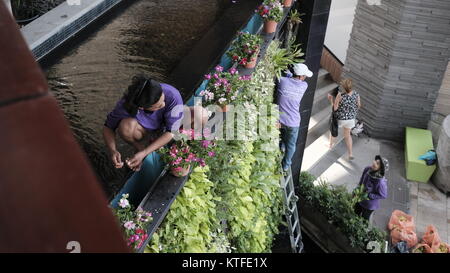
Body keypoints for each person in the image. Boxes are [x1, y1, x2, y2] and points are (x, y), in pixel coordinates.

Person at [103, 75, 207, 172]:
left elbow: (171, 131)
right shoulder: (125, 105)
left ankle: (182, 147)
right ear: (141, 107)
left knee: (201, 114)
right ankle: (140, 149)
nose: (164, 104)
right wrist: (113, 150)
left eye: (163, 99)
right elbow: (108, 127)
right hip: (148, 130)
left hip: (172, 125)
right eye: (158, 106)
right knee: (125, 126)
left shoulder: (171, 93)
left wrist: (145, 153)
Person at [277, 63, 313, 172]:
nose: (305, 78)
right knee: (291, 145)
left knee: (283, 134)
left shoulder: (282, 81)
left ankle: (282, 146)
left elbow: (287, 77)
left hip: (280, 120)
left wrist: (289, 74)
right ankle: (286, 165)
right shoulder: (304, 86)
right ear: (301, 76)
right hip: (293, 122)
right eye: (305, 76)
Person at [331, 78, 361, 160]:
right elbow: (359, 106)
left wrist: (331, 100)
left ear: (344, 87)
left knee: (333, 129)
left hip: (341, 119)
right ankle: (350, 154)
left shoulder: (340, 95)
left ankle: (330, 145)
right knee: (347, 136)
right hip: (351, 119)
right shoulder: (357, 94)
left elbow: (335, 108)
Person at [354, 155, 389, 221]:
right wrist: (358, 188)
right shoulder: (367, 169)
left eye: (377, 163)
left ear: (381, 169)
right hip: (359, 198)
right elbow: (362, 180)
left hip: (369, 205)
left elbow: (383, 195)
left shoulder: (380, 182)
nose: (374, 163)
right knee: (355, 213)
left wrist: (370, 195)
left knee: (364, 220)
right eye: (375, 161)